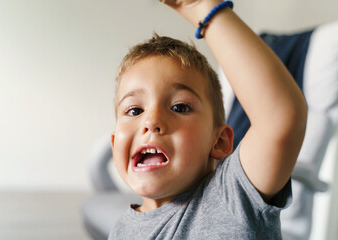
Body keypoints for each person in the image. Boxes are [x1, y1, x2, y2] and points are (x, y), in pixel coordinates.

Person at [109, 0, 307, 239]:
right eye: (134, 110)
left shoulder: (231, 196)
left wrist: (202, 7)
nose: (151, 121)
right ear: (114, 144)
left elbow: (280, 118)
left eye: (179, 107)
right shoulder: (121, 230)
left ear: (219, 141)